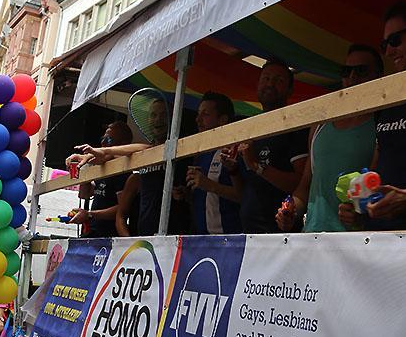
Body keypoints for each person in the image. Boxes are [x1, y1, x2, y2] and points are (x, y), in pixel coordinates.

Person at [339, 2, 406, 232]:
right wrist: (360, 207)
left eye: (395, 41)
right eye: (384, 44)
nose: (388, 51)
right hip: (379, 237)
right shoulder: (391, 99)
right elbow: (378, 163)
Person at [275, 45, 384, 233]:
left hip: (353, 242)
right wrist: (290, 211)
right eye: (346, 71)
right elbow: (305, 186)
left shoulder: (381, 124)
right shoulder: (320, 125)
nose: (352, 78)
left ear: (378, 76)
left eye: (361, 71)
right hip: (311, 236)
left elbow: (376, 188)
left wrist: (360, 216)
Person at [72, 101, 189, 236]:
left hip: (177, 239)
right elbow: (120, 214)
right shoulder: (136, 173)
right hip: (142, 240)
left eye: (163, 115)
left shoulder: (182, 149)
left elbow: (146, 149)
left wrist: (103, 152)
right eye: (153, 115)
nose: (158, 119)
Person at [231, 60, 308, 234]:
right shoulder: (253, 127)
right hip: (249, 234)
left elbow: (300, 183)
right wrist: (233, 169)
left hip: (280, 236)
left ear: (290, 90)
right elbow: (246, 189)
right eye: (265, 78)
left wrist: (257, 166)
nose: (270, 84)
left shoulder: (295, 126)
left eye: (278, 80)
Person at [186, 92, 242, 235]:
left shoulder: (234, 150)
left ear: (222, 120)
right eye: (198, 114)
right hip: (201, 239)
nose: (198, 119)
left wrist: (209, 185)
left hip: (229, 239)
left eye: (205, 114)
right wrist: (185, 194)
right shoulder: (202, 153)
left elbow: (242, 195)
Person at [67, 120, 133, 237]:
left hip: (108, 235)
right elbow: (85, 194)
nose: (103, 144)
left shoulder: (122, 172)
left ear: (123, 144)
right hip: (94, 231)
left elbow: (123, 208)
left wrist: (90, 214)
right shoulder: (103, 168)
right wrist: (84, 170)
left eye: (108, 140)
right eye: (102, 139)